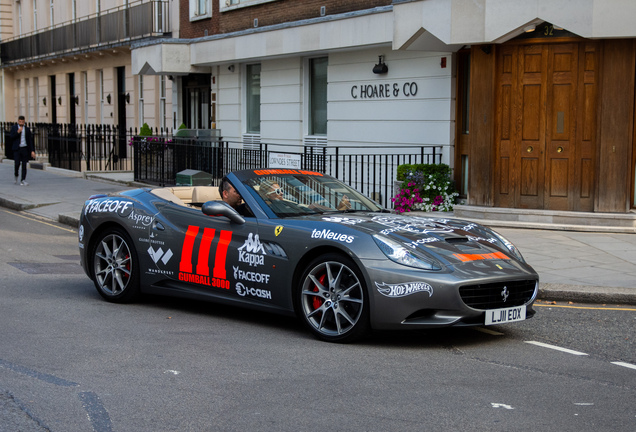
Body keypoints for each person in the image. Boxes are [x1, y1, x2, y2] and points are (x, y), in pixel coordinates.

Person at [9, 116, 35, 186]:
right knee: (17, 163)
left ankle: (23, 179)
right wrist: (18, 132)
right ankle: (16, 174)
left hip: (24, 148)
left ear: (24, 122)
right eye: (20, 122)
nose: (21, 123)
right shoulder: (14, 128)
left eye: (22, 122)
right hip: (17, 148)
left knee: (24, 165)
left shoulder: (27, 129)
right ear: (18, 121)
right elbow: (11, 137)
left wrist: (32, 151)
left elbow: (30, 140)